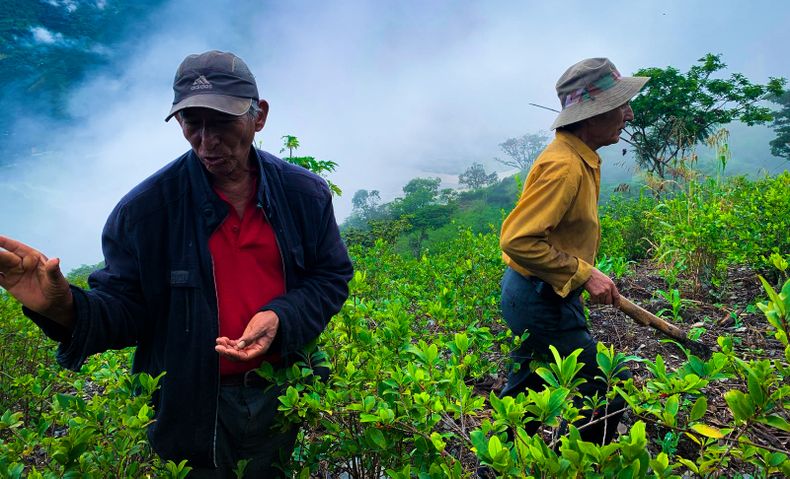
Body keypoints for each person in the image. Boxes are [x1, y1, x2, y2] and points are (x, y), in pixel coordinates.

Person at [0, 50, 353, 477]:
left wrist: (281, 318)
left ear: (258, 116)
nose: (207, 140)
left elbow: (331, 276)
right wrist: (62, 307)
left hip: (281, 389)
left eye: (221, 121)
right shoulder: (145, 213)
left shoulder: (304, 196)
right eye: (192, 123)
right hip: (191, 405)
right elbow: (127, 311)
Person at [498, 58, 649, 444]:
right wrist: (584, 273)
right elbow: (518, 240)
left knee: (527, 394)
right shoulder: (565, 165)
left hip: (534, 292)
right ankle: (579, 465)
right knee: (608, 388)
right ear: (591, 115)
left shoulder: (578, 155)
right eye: (620, 105)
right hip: (538, 297)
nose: (628, 114)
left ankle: (501, 466)